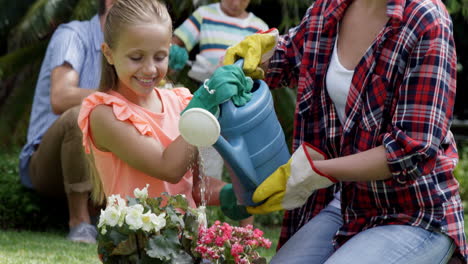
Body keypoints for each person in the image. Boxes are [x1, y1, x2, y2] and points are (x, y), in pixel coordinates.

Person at [223, 0, 468, 263]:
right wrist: (253, 56)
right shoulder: (330, 7)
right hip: (349, 204)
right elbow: (288, 56)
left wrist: (315, 171)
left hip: (416, 212)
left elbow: (410, 151)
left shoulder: (425, 19)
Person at [77, 0, 249, 224]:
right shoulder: (104, 114)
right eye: (136, 58)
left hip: (189, 243)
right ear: (109, 54)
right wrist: (206, 103)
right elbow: (168, 168)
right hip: (137, 250)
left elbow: (194, 187)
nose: (149, 69)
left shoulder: (179, 102)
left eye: (159, 57)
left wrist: (237, 195)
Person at [18, 0, 114, 243]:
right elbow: (60, 97)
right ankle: (80, 223)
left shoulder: (131, 48)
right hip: (48, 164)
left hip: (102, 162)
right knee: (78, 114)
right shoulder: (73, 35)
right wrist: (123, 98)